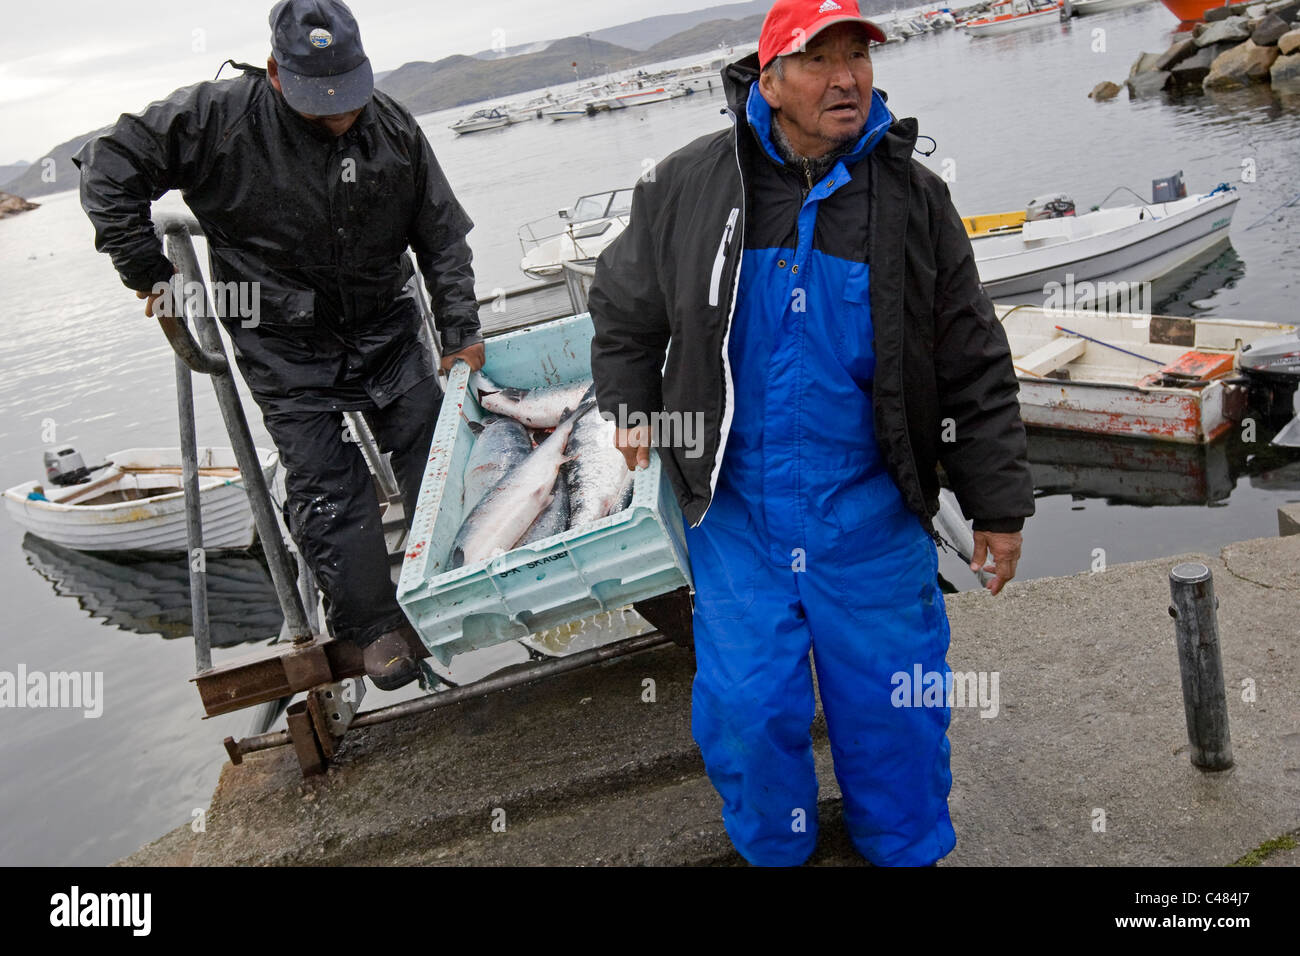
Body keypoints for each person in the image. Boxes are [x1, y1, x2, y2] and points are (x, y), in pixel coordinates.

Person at [588, 0, 1034, 866]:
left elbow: (973, 356)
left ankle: (905, 850)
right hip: (737, 509)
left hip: (869, 508)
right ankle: (775, 852)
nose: (847, 78)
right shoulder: (690, 183)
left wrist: (998, 507)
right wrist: (630, 403)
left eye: (858, 56)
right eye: (819, 59)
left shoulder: (914, 199)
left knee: (895, 709)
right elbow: (624, 306)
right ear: (770, 80)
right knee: (749, 712)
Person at [72, 0, 484, 690]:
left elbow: (441, 236)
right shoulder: (212, 118)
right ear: (273, 73)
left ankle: (449, 585)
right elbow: (109, 167)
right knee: (328, 484)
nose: (340, 118)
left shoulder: (395, 129)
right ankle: (374, 626)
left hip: (385, 327)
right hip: (281, 343)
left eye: (348, 99)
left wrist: (461, 330)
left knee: (432, 445)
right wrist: (150, 271)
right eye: (320, 105)